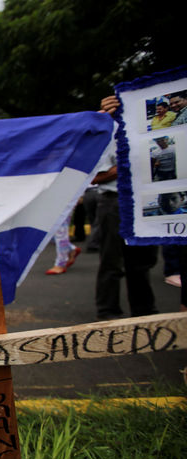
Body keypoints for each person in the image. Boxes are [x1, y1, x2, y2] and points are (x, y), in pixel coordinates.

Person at [94, 96, 158, 320]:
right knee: (112, 260)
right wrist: (125, 166)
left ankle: (144, 312)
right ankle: (108, 312)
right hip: (114, 200)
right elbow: (96, 177)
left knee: (141, 262)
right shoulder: (109, 132)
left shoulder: (150, 132)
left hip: (143, 199)